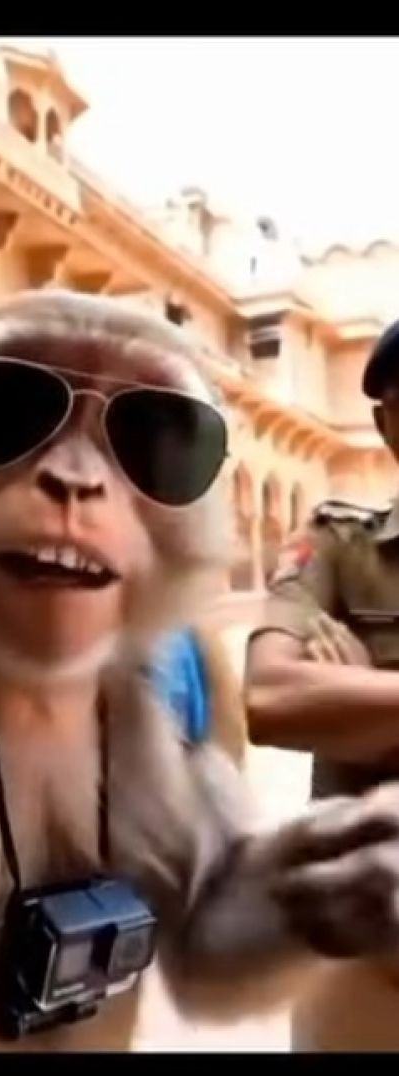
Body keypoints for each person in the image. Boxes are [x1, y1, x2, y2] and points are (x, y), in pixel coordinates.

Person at [245, 316, 399, 1050]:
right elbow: (271, 700)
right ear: (387, 424)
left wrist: (364, 704)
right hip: (359, 939)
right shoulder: (339, 544)